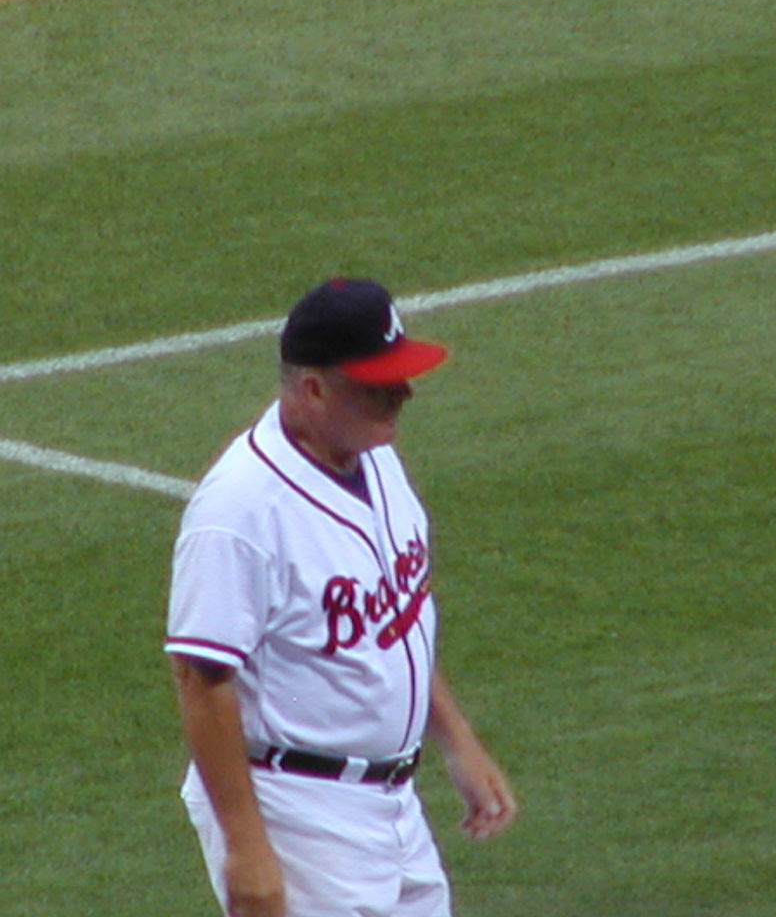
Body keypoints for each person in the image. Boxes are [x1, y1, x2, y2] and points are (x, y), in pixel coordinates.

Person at [165, 278, 517, 917]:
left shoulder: (374, 457)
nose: (401, 395)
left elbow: (395, 618)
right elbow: (201, 677)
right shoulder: (239, 509)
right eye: (378, 385)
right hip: (297, 810)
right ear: (314, 388)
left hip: (392, 805)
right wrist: (247, 849)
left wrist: (455, 737)